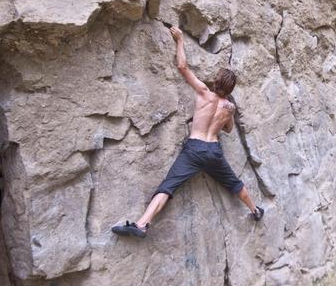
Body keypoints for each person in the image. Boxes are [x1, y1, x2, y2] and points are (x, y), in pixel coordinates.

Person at [112, 26, 264, 238]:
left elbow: (182, 66)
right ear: (230, 90)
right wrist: (224, 116)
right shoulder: (229, 108)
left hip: (194, 148)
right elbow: (228, 130)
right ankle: (255, 210)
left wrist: (180, 40)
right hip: (213, 150)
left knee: (168, 186)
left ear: (216, 81)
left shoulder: (204, 93)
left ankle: (142, 224)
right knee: (234, 182)